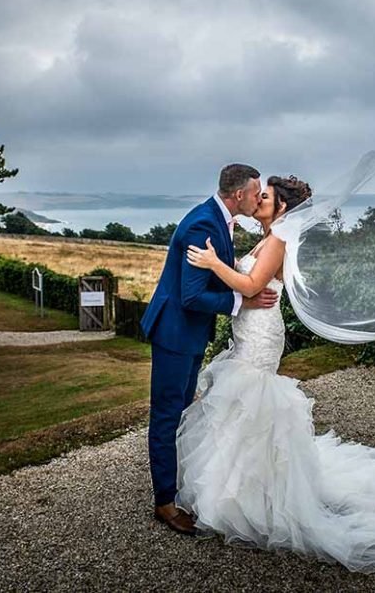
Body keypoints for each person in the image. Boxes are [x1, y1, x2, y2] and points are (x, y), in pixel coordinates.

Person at [177, 175, 375, 573]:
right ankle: (234, 488)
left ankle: (252, 496)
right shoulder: (268, 237)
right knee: (242, 408)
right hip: (250, 329)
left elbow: (251, 284)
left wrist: (214, 264)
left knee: (253, 405)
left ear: (281, 207)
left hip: (261, 335)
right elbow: (246, 283)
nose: (259, 199)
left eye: (265, 196)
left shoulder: (279, 239)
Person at [139, 163, 279, 536]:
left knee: (183, 411)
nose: (258, 197)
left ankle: (179, 485)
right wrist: (241, 303)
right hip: (175, 334)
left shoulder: (219, 219)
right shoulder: (203, 224)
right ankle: (164, 503)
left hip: (189, 334)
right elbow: (192, 294)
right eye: (256, 191)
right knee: (168, 415)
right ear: (239, 196)